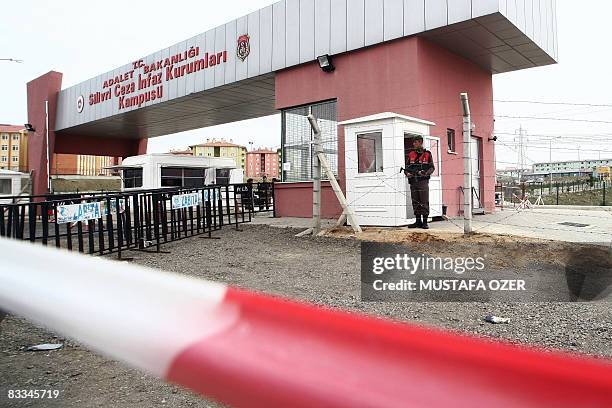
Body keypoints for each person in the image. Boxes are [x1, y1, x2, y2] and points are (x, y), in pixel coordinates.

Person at [404, 136, 435, 229]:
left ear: (420, 142)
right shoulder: (410, 154)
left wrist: (425, 173)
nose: (413, 144)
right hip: (413, 181)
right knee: (415, 201)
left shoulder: (427, 154)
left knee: (424, 201)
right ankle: (418, 221)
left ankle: (425, 222)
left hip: (423, 181)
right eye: (413, 142)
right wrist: (407, 173)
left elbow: (432, 167)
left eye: (415, 142)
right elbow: (406, 167)